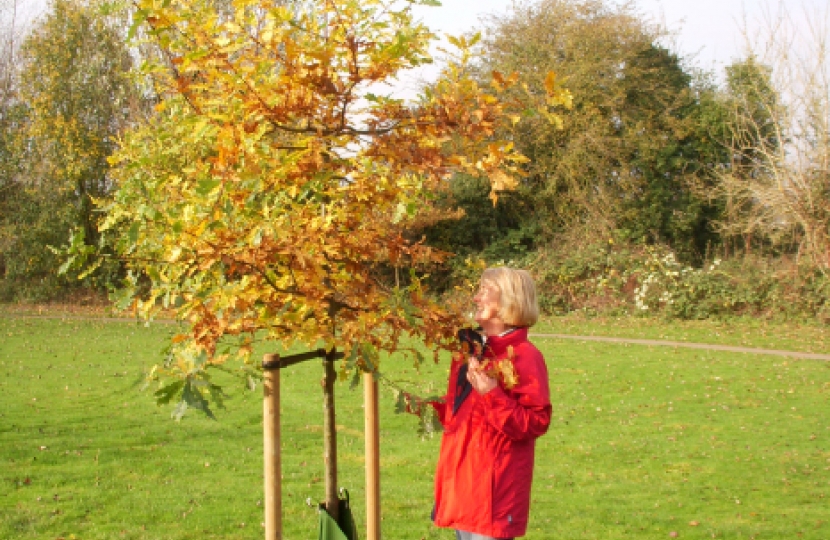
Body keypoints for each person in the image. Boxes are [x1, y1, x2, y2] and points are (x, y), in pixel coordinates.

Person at [430, 267, 552, 540]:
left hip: (494, 495)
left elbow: (534, 422)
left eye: (485, 291)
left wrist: (492, 393)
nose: (476, 299)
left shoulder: (525, 357)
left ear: (509, 300)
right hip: (463, 484)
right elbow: (462, 416)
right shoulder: (469, 351)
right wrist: (433, 407)